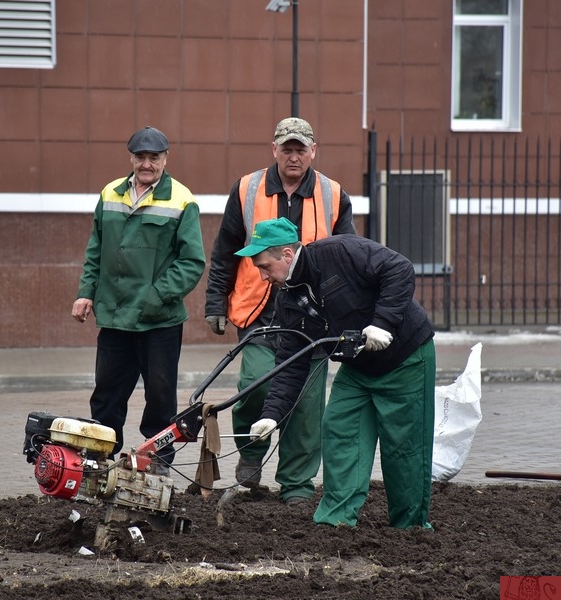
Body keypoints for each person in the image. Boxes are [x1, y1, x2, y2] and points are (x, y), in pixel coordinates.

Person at [237, 217, 436, 529]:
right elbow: (291, 360)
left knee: (404, 448)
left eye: (265, 267)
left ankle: (409, 529)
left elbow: (399, 268)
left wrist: (383, 322)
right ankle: (335, 522)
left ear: (287, 255)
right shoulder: (288, 299)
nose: (263, 276)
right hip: (358, 368)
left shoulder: (339, 251)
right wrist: (272, 415)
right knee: (340, 431)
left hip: (405, 357)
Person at [204, 117, 356, 504]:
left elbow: (348, 256)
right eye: (286, 148)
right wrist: (215, 302)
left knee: (306, 405)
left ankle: (297, 486)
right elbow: (224, 251)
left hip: (313, 316)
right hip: (260, 312)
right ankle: (251, 457)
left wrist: (349, 314)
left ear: (313, 151)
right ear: (274, 149)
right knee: (256, 386)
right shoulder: (247, 189)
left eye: (300, 149)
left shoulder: (333, 194)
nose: (293, 156)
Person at [71, 126, 206, 473]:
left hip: (158, 320)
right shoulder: (110, 194)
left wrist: (155, 296)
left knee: (160, 396)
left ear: (165, 159)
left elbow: (192, 263)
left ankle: (157, 460)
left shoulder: (182, 199)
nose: (147, 164)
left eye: (154, 157)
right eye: (141, 157)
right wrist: (86, 293)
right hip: (115, 318)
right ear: (131, 158)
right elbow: (95, 251)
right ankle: (99, 456)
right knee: (107, 394)